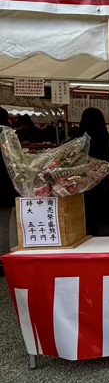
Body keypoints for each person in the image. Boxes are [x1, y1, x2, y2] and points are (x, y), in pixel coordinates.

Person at [77, 108, 109, 236]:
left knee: (85, 227)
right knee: (107, 229)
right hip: (106, 186)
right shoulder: (107, 140)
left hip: (83, 187)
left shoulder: (76, 141)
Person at [0, 108, 19, 275]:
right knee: (3, 226)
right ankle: (2, 261)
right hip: (3, 188)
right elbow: (16, 160)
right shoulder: (6, 136)